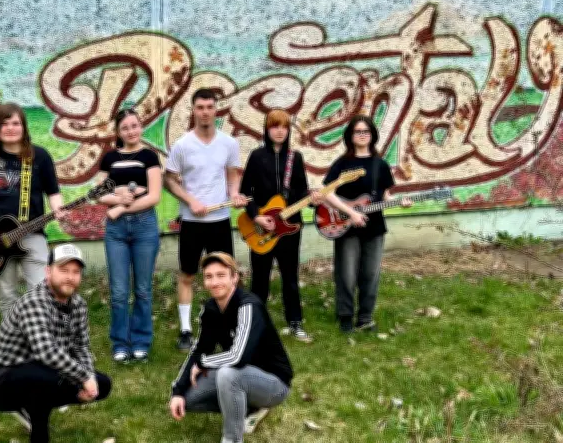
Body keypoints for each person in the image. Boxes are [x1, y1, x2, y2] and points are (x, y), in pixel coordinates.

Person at [0, 243, 112, 443]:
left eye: (76, 272)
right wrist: (83, 377)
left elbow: (81, 346)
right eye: (64, 270)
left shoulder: (78, 305)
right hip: (1, 381)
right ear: (48, 272)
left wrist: (89, 380)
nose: (70, 277)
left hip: (42, 372)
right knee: (48, 378)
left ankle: (33, 407)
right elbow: (46, 352)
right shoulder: (34, 302)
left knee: (103, 384)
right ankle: (39, 434)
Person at [168, 252, 293, 443]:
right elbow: (199, 350)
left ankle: (232, 438)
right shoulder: (211, 309)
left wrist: (202, 363)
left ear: (234, 277)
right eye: (209, 276)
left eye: (221, 275)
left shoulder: (249, 305)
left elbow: (238, 357)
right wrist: (178, 392)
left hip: (274, 383)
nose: (214, 282)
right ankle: (249, 408)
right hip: (242, 374)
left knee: (228, 374)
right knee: (189, 398)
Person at [164, 88, 247, 351]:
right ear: (193, 110)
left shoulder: (228, 143)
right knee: (187, 274)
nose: (205, 112)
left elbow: (232, 175)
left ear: (216, 110)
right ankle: (185, 330)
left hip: (220, 220)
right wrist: (190, 201)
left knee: (225, 274)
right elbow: (169, 180)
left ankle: (228, 325)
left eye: (210, 107)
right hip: (192, 222)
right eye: (200, 107)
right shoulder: (182, 145)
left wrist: (234, 194)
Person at [0, 103, 66, 317]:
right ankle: (11, 336)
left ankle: (38, 335)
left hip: (32, 232)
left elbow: (53, 193)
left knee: (42, 293)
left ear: (23, 127)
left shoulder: (39, 156)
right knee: (7, 295)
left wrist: (58, 210)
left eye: (15, 123)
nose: (10, 128)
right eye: (5, 124)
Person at [321, 115, 413, 333]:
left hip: (375, 227)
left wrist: (400, 202)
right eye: (358, 131)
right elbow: (327, 192)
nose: (362, 135)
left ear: (372, 135)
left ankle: (365, 318)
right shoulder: (342, 163)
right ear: (350, 136)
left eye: (366, 131)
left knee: (371, 274)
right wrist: (350, 213)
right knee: (346, 273)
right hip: (346, 225)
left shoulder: (380, 164)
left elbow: (384, 196)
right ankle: (345, 316)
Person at [240, 109, 322, 342]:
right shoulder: (257, 157)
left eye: (284, 127)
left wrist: (312, 200)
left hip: (290, 228)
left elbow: (301, 191)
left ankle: (295, 323)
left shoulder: (296, 158)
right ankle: (255, 325)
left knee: (290, 277)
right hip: (262, 228)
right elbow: (246, 193)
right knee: (259, 279)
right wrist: (256, 216)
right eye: (275, 126)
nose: (279, 131)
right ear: (267, 129)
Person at [98, 109, 162, 363]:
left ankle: (141, 341)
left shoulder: (149, 156)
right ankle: (120, 343)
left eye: (135, 126)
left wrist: (121, 208)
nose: (131, 131)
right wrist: (117, 198)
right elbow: (99, 193)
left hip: (145, 227)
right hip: (116, 232)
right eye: (125, 128)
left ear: (141, 127)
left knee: (143, 289)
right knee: (119, 291)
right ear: (118, 132)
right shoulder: (110, 158)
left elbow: (153, 196)